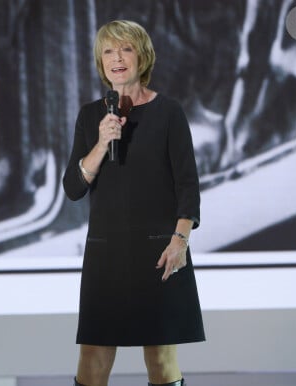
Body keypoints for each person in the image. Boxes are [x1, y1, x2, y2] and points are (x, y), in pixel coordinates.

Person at [63, 20, 204, 386]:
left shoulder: (169, 112)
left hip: (160, 251)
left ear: (142, 56)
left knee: (160, 357)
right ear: (100, 62)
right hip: (107, 252)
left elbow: (187, 185)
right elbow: (73, 187)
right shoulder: (92, 116)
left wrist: (181, 240)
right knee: (92, 357)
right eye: (108, 51)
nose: (117, 58)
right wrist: (100, 143)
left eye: (125, 49)